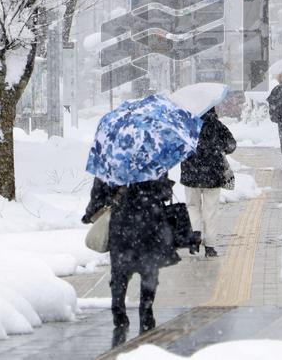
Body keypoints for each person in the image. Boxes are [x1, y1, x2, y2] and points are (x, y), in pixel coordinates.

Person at [83, 175, 177, 336]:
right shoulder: (152, 163)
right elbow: (164, 192)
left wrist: (90, 213)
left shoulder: (112, 163)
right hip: (149, 223)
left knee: (119, 272)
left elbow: (98, 193)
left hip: (121, 225)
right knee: (149, 272)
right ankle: (146, 311)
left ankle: (118, 311)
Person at [180, 107, 236, 257]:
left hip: (190, 174)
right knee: (210, 210)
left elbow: (178, 147)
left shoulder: (187, 125)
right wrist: (218, 149)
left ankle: (195, 233)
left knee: (192, 206)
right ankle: (210, 247)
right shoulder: (218, 126)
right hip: (213, 174)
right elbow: (231, 145)